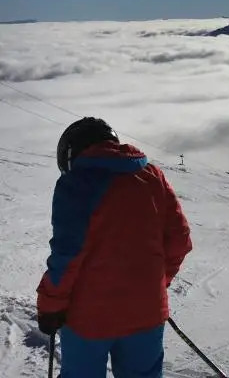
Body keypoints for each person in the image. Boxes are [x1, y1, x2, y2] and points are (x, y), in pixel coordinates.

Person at [36, 117, 193, 378]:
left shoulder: (76, 183)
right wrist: (153, 285)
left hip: (89, 319)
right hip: (147, 313)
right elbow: (180, 240)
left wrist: (50, 305)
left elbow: (67, 255)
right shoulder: (153, 177)